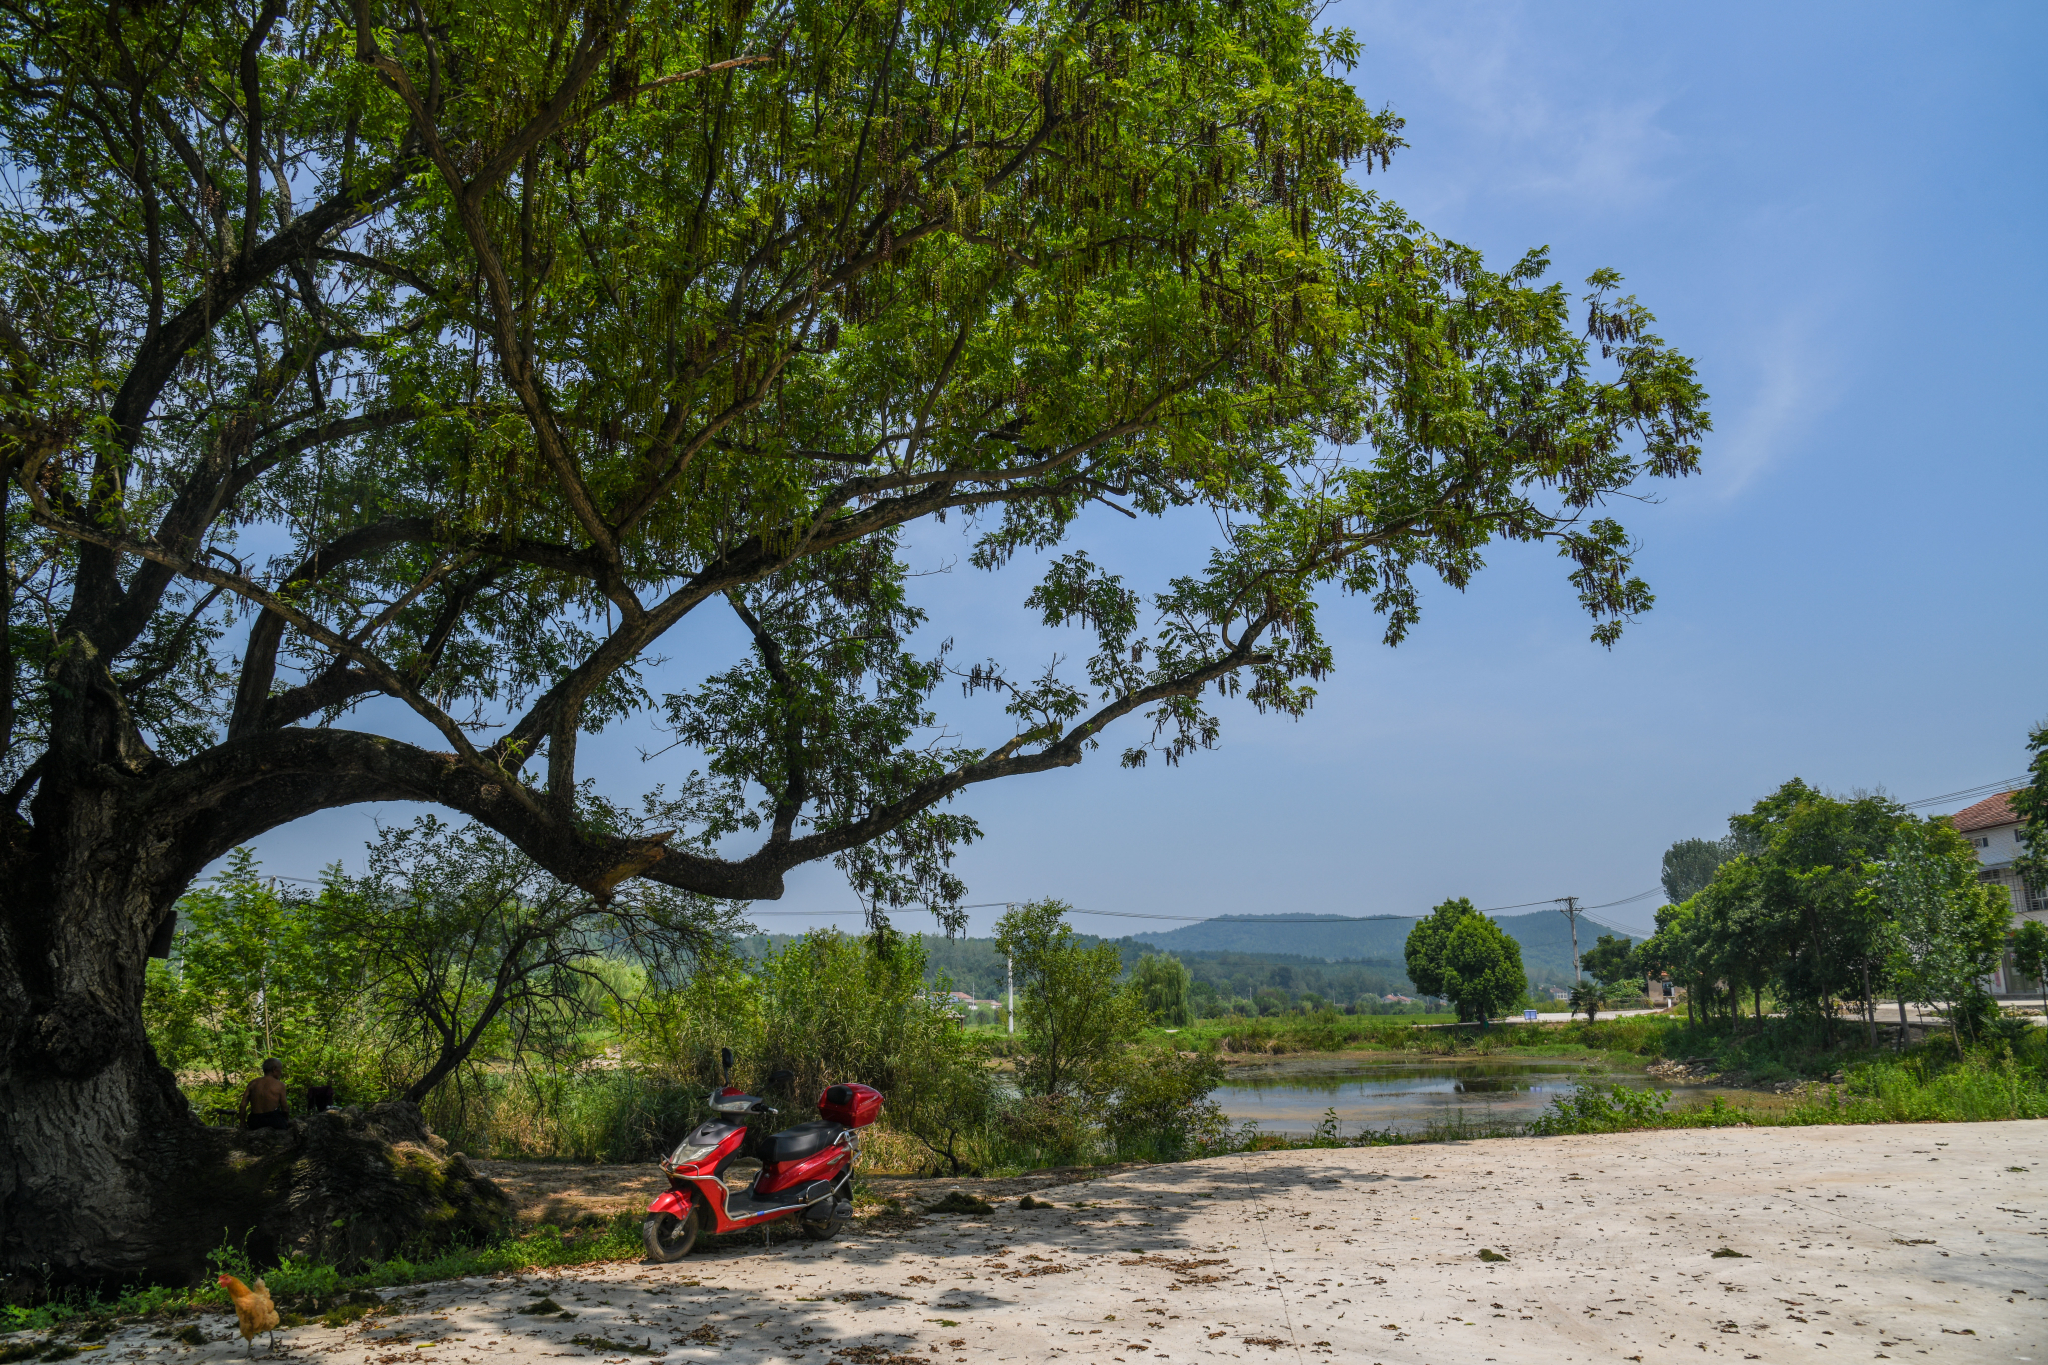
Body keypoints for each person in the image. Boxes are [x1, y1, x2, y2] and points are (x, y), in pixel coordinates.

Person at [240, 1058, 291, 1130]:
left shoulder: (253, 1083)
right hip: (272, 1121)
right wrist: (287, 1120)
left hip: (255, 1121)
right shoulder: (279, 1085)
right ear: (274, 1069)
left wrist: (242, 1123)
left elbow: (242, 1105)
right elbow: (285, 1108)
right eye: (280, 1069)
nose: (281, 1072)